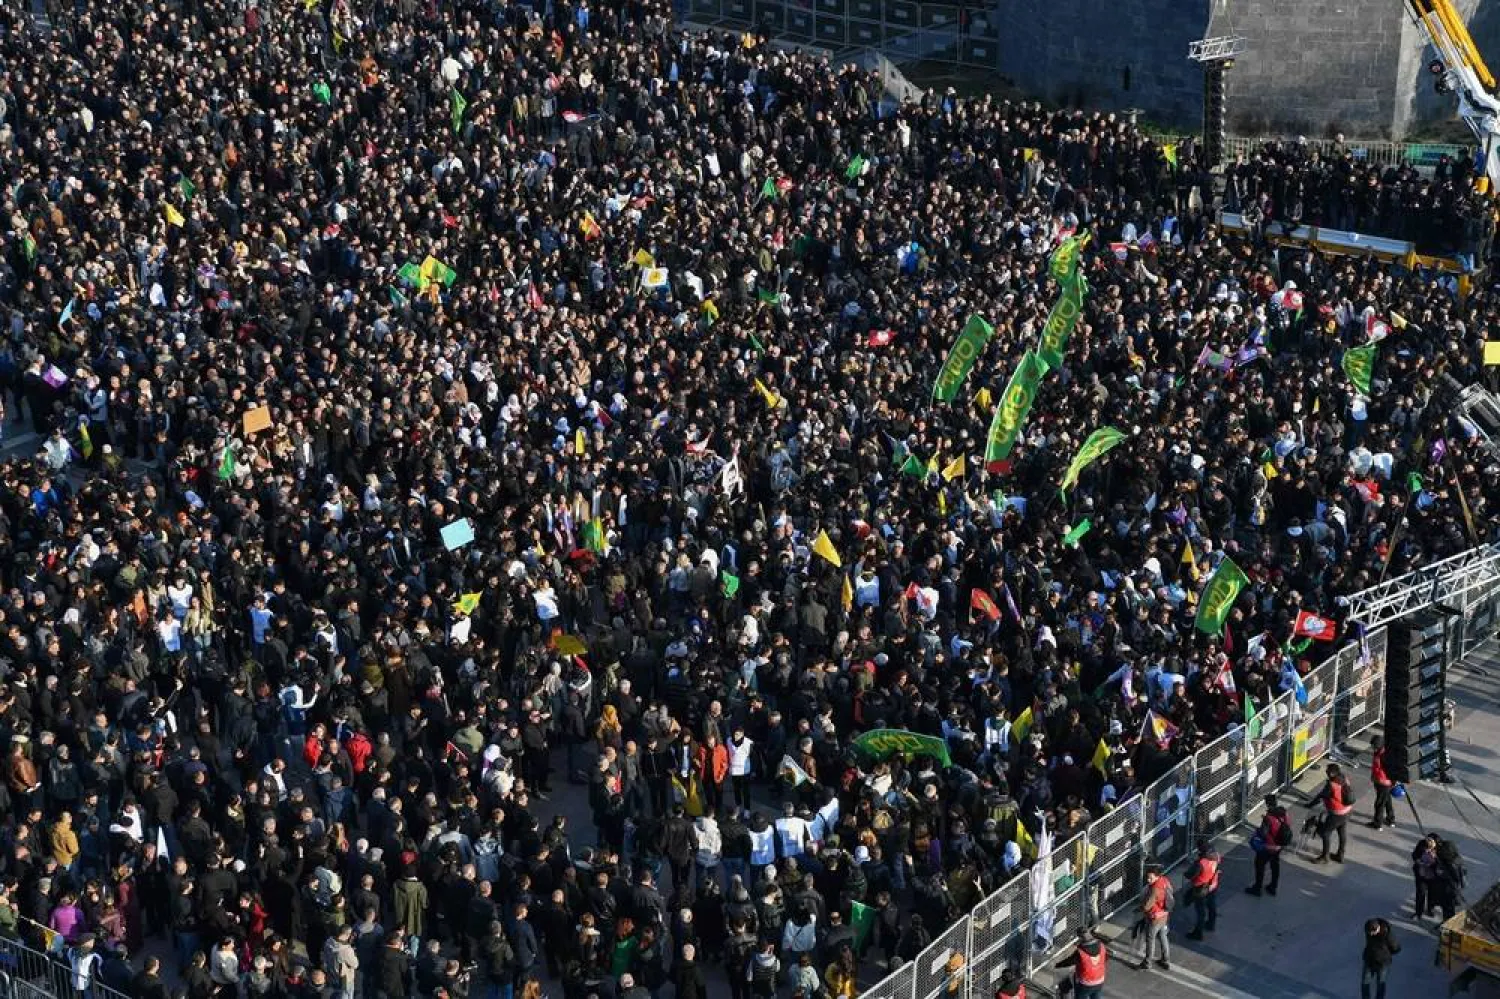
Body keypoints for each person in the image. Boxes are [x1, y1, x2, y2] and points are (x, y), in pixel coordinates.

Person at [1246, 795, 1293, 896]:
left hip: (1269, 847)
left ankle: (1257, 888)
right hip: (1279, 846)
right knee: (1275, 865)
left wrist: (1258, 830)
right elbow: (1287, 825)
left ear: (1267, 804)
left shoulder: (1269, 818)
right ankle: (1273, 887)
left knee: (1259, 865)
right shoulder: (1284, 813)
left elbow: (1263, 833)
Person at [1310, 763, 1356, 863]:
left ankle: (1324, 857)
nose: (1326, 773)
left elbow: (1321, 796)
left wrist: (1310, 804)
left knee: (1325, 833)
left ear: (1331, 773)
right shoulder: (1344, 778)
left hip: (1337, 814)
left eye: (1327, 771)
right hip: (1347, 810)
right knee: (1342, 832)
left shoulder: (1331, 785)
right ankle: (1340, 855)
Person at [1136, 865, 1173, 971]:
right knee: (1163, 936)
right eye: (1147, 877)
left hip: (1154, 917)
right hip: (1164, 915)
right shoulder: (1165, 880)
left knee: (1150, 939)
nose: (1148, 880)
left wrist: (1141, 908)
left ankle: (1147, 963)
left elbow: (1147, 906)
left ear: (1157, 876)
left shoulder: (1154, 889)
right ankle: (1165, 960)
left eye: (1150, 878)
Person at [1055, 927, 1107, 999]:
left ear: (1081, 938)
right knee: (1096, 996)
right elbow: (1105, 958)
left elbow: (1069, 961)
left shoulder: (1080, 952)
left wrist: (1057, 965)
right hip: (1100, 979)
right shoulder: (1101, 945)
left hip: (1085, 982)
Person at [1184, 841, 1220, 940]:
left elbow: (1191, 874)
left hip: (1201, 888)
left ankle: (1198, 933)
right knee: (1211, 905)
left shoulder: (1201, 863)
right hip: (1212, 885)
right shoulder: (1216, 857)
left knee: (1200, 911)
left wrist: (1186, 873)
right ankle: (1211, 924)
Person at [1361, 918, 1400, 999]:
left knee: (1380, 984)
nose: (1370, 934)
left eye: (1372, 932)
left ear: (1377, 928)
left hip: (1382, 963)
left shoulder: (1387, 934)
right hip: (1369, 959)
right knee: (1365, 982)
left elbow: (1395, 948)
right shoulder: (1368, 928)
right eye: (1369, 932)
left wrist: (1385, 954)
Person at [1368, 736, 1397, 830]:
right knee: (1387, 800)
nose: (1373, 747)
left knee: (1379, 803)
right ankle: (1390, 819)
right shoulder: (1383, 752)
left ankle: (1377, 823)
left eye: (1374, 745)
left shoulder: (1382, 755)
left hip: (1382, 782)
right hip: (1385, 782)